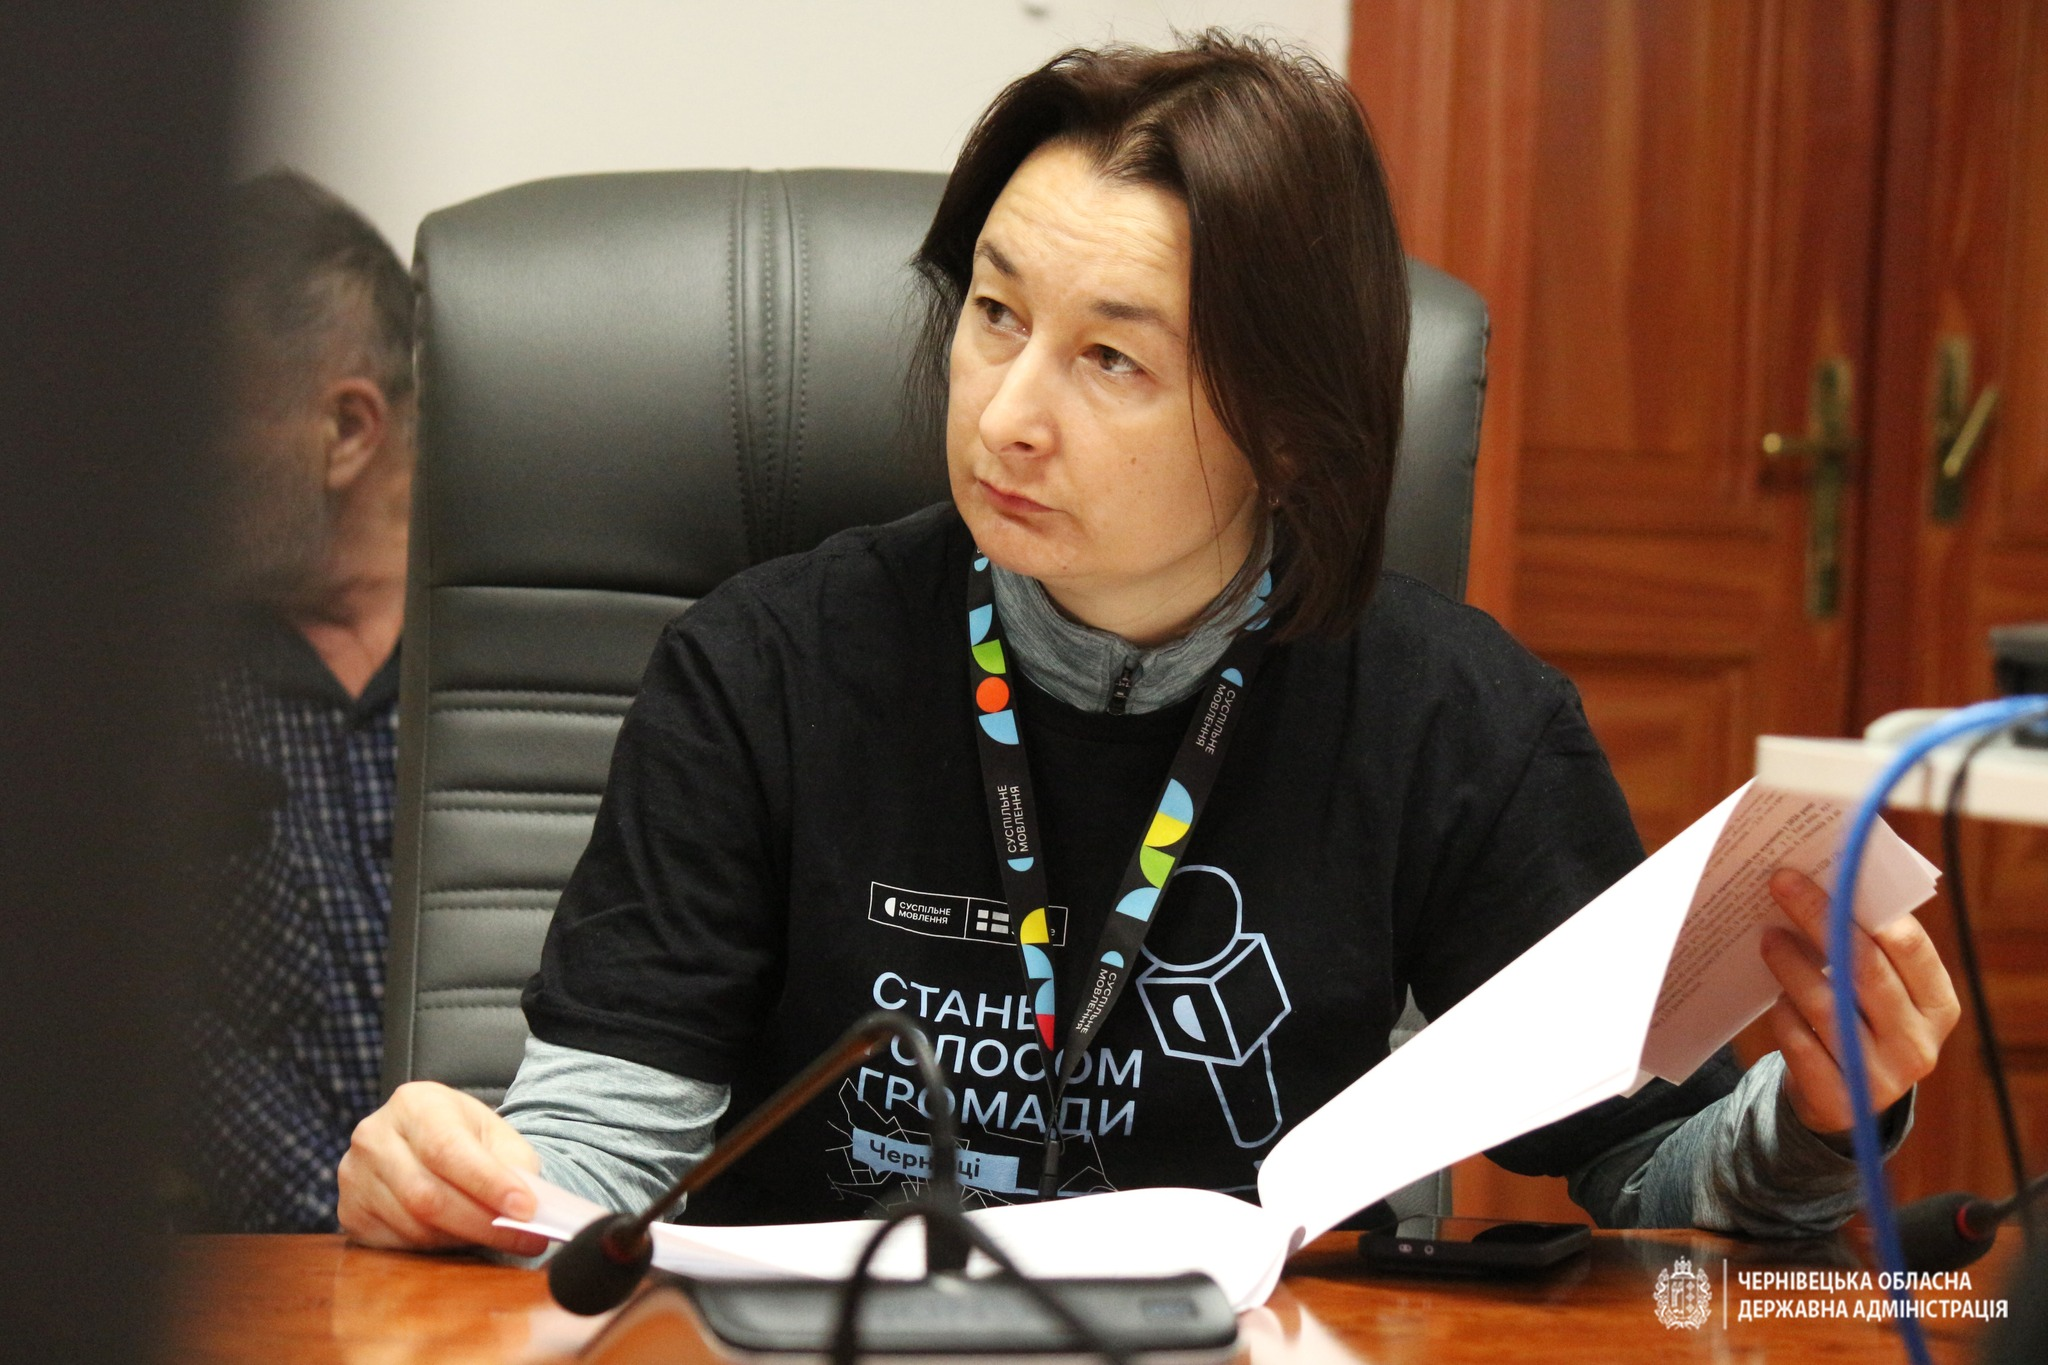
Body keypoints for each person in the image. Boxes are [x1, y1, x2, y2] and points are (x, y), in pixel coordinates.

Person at [336, 36, 1958, 1256]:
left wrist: (1828, 1115)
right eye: (993, 315)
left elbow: (1651, 1171)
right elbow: (595, 1164)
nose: (1006, 414)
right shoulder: (760, 670)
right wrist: (462, 1181)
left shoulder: (1453, 720)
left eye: (1110, 360)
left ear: (1287, 428)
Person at [180, 169, 416, 1232]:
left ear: (348, 429)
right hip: (264, 1268)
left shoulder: (537, 648)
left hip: (548, 1248)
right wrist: (352, 1227)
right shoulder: (155, 690)